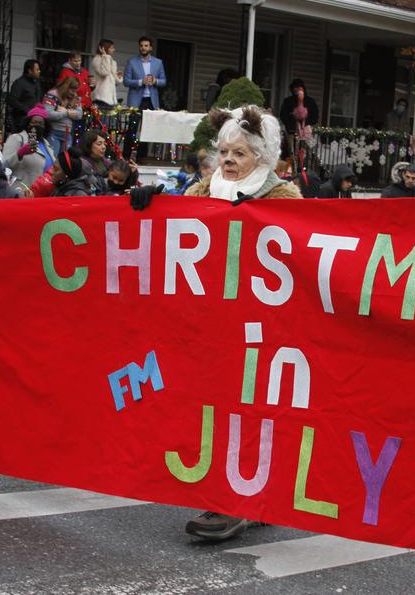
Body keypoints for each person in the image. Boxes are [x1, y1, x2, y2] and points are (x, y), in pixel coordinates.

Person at [129, 104, 301, 542]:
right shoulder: (203, 190)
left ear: (261, 158)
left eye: (239, 153)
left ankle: (236, 502)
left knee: (248, 412)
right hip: (206, 326)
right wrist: (150, 206)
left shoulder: (283, 197)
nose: (227, 160)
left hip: (260, 328)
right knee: (209, 409)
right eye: (224, 151)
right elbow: (171, 236)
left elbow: (299, 259)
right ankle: (242, 498)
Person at [3, 104, 56, 194]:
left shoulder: (48, 145)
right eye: (34, 122)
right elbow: (3, 165)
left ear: (45, 127)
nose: (37, 126)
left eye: (40, 124)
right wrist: (19, 154)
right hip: (22, 192)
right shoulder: (17, 138)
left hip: (42, 195)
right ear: (28, 124)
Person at [123, 36, 167, 111]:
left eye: (146, 46)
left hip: (152, 101)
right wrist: (141, 82)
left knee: (151, 122)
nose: (143, 48)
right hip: (135, 102)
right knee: (134, 122)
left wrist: (155, 81)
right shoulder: (132, 62)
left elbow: (164, 81)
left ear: (151, 48)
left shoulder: (158, 62)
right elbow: (126, 81)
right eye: (141, 45)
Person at [44, 77, 83, 154]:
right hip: (53, 133)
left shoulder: (74, 97)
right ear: (66, 87)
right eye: (72, 90)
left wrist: (66, 111)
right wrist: (67, 113)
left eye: (76, 91)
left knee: (65, 161)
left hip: (67, 134)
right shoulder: (52, 94)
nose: (74, 93)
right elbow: (48, 114)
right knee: (53, 159)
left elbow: (80, 115)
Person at [7, 59, 43, 131]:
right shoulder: (19, 83)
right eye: (37, 69)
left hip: (34, 120)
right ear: (30, 71)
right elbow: (13, 101)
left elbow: (38, 99)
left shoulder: (36, 83)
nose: (39, 71)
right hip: (21, 121)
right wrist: (28, 110)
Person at [90, 39, 123, 109]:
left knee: (110, 119)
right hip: (101, 97)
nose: (114, 50)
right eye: (111, 48)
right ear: (104, 48)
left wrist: (118, 77)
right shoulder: (97, 59)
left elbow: (115, 82)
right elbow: (104, 72)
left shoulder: (113, 61)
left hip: (111, 98)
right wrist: (105, 56)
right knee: (101, 119)